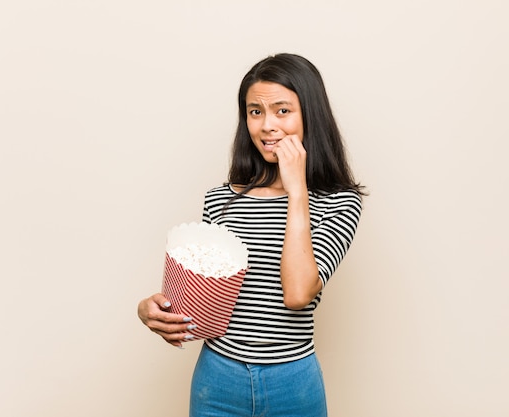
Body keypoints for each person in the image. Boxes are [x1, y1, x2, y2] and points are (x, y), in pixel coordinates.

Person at [138, 53, 365, 417]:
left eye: (282, 110)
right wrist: (153, 311)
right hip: (217, 378)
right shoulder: (221, 200)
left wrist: (296, 192)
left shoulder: (338, 203)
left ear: (311, 115)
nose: (267, 126)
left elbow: (297, 294)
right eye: (255, 112)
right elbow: (202, 300)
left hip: (293, 381)